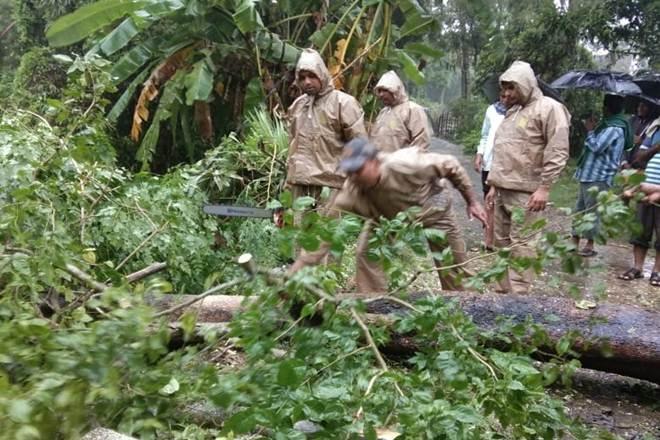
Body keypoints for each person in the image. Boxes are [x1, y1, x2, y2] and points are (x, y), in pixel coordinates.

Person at [289, 138, 487, 292]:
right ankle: (373, 308)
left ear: (374, 161)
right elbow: (324, 236)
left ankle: (464, 310)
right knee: (366, 255)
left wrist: (472, 201)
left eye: (358, 169)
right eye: (349, 171)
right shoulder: (350, 193)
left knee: (454, 266)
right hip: (386, 219)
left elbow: (450, 164)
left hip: (433, 208)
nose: (353, 177)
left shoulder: (403, 164)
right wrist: (292, 276)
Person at [485, 61, 571, 294]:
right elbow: (503, 149)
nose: (506, 93)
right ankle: (501, 294)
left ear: (526, 85)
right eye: (504, 88)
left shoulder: (549, 108)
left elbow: (558, 149)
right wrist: (493, 185)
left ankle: (519, 298)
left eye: (512, 88)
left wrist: (545, 187)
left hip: (527, 193)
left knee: (523, 246)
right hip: (503, 189)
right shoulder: (512, 112)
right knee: (501, 244)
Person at [286, 48, 367, 205]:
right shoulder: (298, 106)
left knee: (328, 229)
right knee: (298, 228)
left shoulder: (343, 104)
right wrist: (288, 184)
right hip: (300, 187)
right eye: (302, 78)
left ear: (322, 74)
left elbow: (360, 147)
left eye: (312, 76)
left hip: (332, 188)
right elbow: (292, 147)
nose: (307, 81)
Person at [571, 94, 632, 257]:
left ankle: (589, 245)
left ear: (608, 108)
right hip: (588, 174)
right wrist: (594, 129)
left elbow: (597, 147)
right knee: (580, 209)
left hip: (599, 176)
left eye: (604, 106)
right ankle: (574, 242)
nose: (602, 109)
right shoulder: (606, 126)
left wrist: (590, 131)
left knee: (592, 212)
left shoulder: (614, 128)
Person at [618, 115, 660, 286]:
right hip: (646, 186)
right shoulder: (655, 129)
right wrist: (656, 148)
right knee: (641, 229)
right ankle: (637, 268)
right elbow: (639, 158)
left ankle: (657, 272)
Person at [474, 90, 510, 250]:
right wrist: (479, 154)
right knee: (489, 201)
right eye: (502, 95)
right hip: (489, 163)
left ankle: (502, 239)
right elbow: (485, 135)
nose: (505, 99)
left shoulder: (517, 113)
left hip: (507, 164)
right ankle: (488, 240)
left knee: (505, 202)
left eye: (508, 96)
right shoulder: (491, 110)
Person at [369, 70, 431, 152]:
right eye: (379, 91)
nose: (381, 94)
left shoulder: (412, 110)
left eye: (385, 90)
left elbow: (421, 143)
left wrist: (406, 162)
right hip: (380, 163)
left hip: (400, 164)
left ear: (396, 90)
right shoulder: (383, 112)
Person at [622, 101, 655, 169]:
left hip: (642, 168)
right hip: (625, 166)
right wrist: (624, 162)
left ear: (650, 108)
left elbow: (656, 147)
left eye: (644, 106)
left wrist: (641, 142)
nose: (640, 108)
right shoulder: (631, 121)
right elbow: (622, 143)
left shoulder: (654, 124)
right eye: (639, 106)